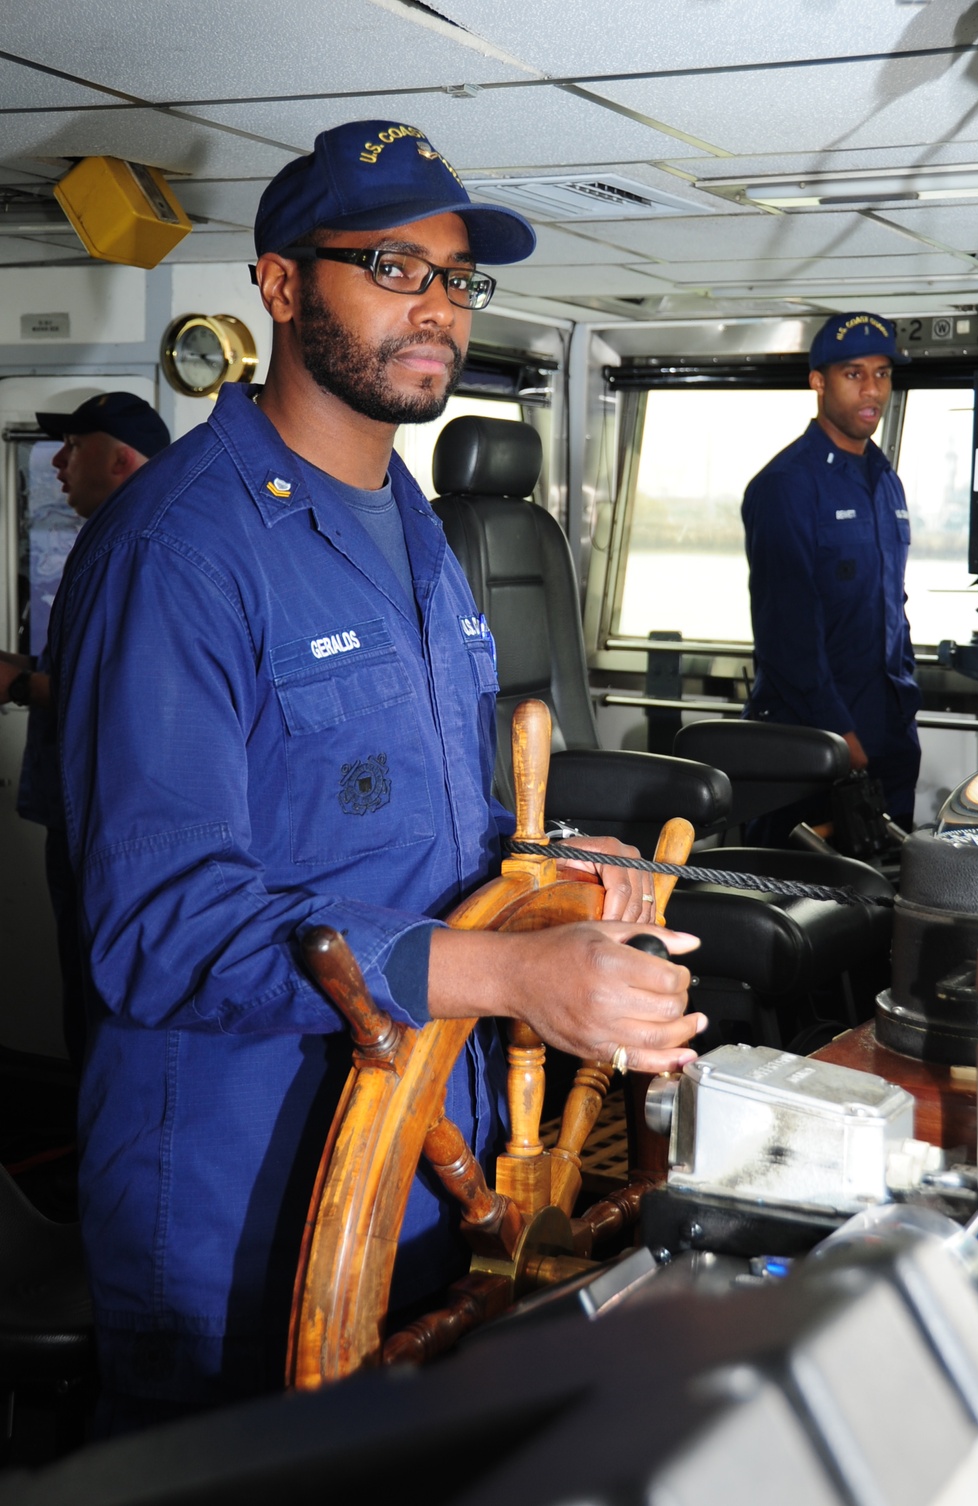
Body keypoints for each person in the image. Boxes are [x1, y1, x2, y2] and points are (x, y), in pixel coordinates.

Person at [48, 119, 706, 1432]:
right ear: (282, 286)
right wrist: (515, 974)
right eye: (394, 267)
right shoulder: (177, 550)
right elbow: (157, 931)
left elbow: (425, 819)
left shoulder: (417, 527)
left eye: (458, 278)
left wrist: (554, 875)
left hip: (418, 1149)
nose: (440, 309)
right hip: (242, 1194)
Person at [0, 393, 170, 1065]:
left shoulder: (142, 545)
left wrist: (17, 686)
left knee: (101, 1002)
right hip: (82, 814)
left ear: (121, 460)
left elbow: (131, 691)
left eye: (74, 446)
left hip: (108, 823)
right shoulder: (113, 536)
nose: (60, 463)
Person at [741, 311, 921, 845]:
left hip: (888, 732)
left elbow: (893, 605)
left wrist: (905, 710)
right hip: (812, 737)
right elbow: (787, 631)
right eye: (853, 373)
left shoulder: (886, 481)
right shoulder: (786, 486)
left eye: (883, 373)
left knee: (888, 903)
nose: (873, 389)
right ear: (818, 382)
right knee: (801, 905)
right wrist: (840, 734)